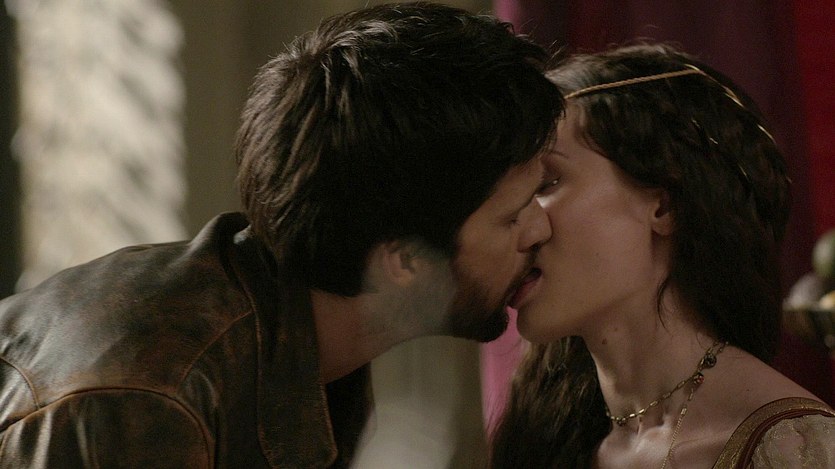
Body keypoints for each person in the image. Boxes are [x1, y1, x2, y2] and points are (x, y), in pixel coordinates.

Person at [0, 3, 564, 468]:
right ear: (403, 260)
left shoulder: (318, 346)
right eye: (513, 216)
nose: (541, 228)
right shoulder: (146, 398)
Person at [489, 44, 835, 468]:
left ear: (664, 206)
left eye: (546, 183)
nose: (520, 226)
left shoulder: (794, 450)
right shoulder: (546, 436)